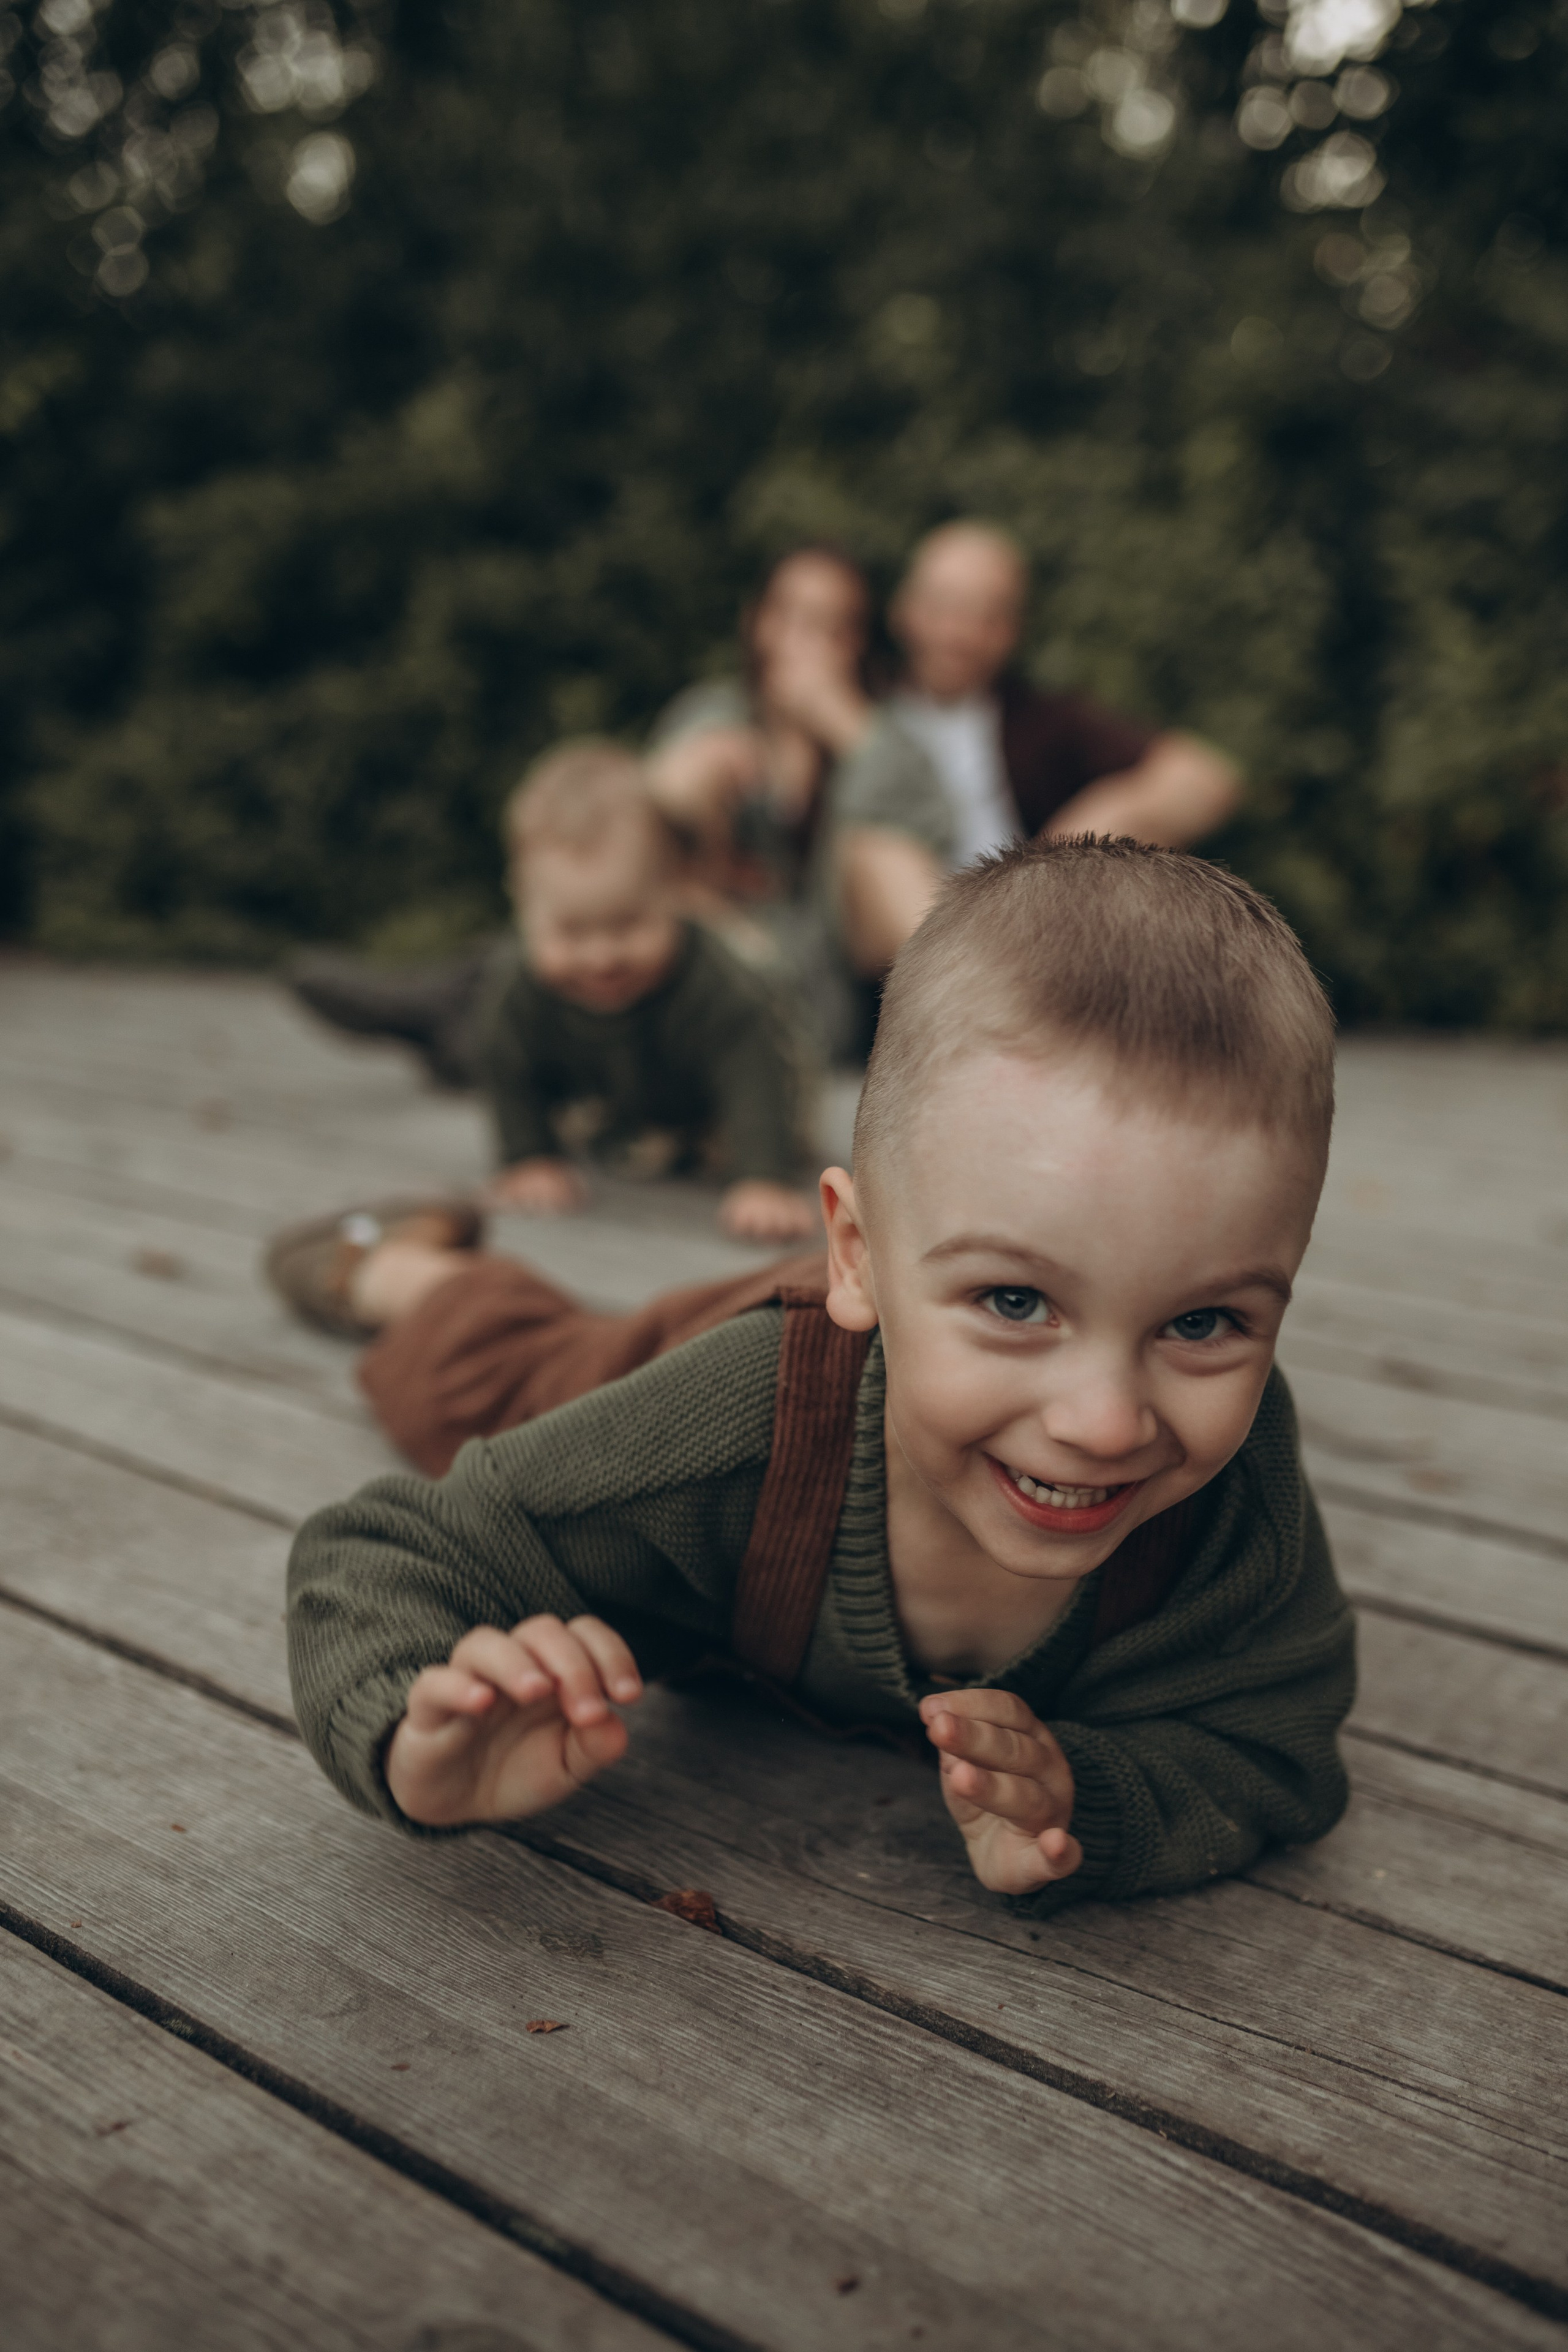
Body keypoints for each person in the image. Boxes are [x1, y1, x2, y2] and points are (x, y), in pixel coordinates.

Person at [284, 835, 1354, 1912]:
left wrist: (1094, 1797)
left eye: (1204, 1322)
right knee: (512, 1369)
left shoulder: (1235, 1499)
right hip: (726, 1364)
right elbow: (384, 1554)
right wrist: (413, 1728)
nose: (1107, 1423)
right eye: (1016, 1302)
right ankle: (402, 1267)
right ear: (858, 1253)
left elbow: (1274, 1747)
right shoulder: (727, 1425)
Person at [848, 520, 1245, 964]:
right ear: (903, 609)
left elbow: (1207, 777)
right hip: (903, 955)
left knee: (1119, 818)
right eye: (944, 607)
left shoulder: (1038, 718)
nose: (958, 633)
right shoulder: (859, 707)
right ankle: (970, 974)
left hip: (1027, 925)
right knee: (880, 848)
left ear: (1011, 631)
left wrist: (1059, 857)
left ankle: (1003, 966)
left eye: (987, 616)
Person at [645, 541, 952, 1046]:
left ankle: (977, 1023)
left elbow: (933, 836)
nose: (805, 641)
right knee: (683, 778)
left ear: (855, 643)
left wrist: (849, 730)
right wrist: (699, 774)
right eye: (791, 617)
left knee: (885, 850)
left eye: (831, 626)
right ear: (758, 623)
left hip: (851, 980)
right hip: (721, 950)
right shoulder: (715, 712)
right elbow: (644, 818)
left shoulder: (880, 734)